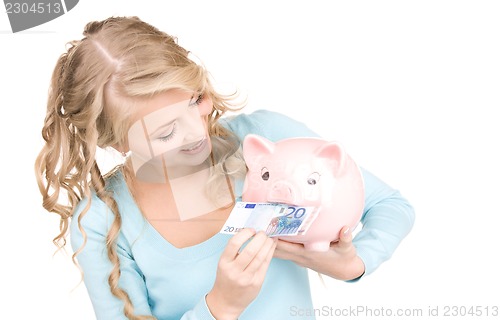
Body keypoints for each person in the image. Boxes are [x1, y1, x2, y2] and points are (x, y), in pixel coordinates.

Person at [35, 16, 415, 320]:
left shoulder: (267, 141)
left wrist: (353, 263)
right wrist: (220, 307)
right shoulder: (100, 220)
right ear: (116, 143)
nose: (197, 131)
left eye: (195, 100)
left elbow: (390, 205)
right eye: (166, 132)